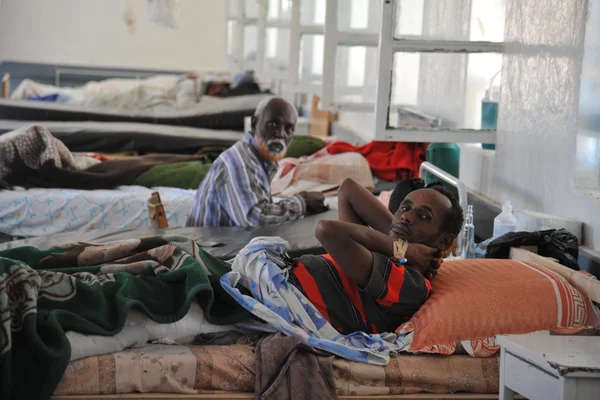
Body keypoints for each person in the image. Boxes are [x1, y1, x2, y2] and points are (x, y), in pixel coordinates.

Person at [286, 178, 464, 334]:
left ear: (445, 241)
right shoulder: (389, 253)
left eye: (424, 216)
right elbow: (348, 189)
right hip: (275, 276)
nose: (406, 217)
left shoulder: (412, 285)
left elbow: (327, 230)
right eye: (404, 207)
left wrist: (403, 248)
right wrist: (402, 246)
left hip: (281, 295)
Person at [186, 96, 328, 227]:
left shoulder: (261, 159)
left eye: (288, 128)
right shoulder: (239, 161)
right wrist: (301, 202)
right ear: (254, 124)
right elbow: (256, 218)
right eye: (273, 124)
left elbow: (258, 205)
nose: (280, 134)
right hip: (208, 250)